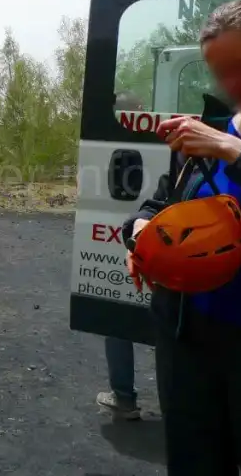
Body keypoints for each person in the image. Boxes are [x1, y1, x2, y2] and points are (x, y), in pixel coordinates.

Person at [123, 0, 241, 475]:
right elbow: (158, 206)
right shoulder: (209, 131)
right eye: (220, 72)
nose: (232, 85)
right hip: (190, 342)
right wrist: (139, 235)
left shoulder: (236, 138)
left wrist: (238, 152)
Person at [96, 90, 145, 420]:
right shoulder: (163, 141)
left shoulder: (115, 148)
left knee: (115, 313)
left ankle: (124, 397)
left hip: (127, 236)